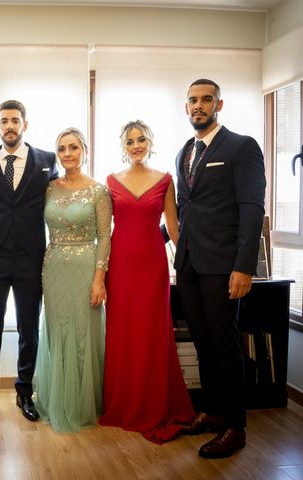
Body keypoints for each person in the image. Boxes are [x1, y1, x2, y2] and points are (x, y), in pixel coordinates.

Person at [175, 79, 266, 458]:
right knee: (203, 342)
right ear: (186, 107)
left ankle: (235, 426)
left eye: (206, 99)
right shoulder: (185, 151)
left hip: (223, 267)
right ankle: (212, 412)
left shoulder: (242, 147)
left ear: (219, 104)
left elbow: (251, 208)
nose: (199, 106)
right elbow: (186, 208)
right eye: (193, 100)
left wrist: (244, 267)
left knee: (225, 345)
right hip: (190, 265)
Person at [99, 120, 194, 443]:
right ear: (123, 147)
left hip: (153, 267)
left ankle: (153, 405)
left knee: (152, 334)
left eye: (142, 139)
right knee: (122, 334)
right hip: (121, 266)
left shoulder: (165, 180)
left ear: (150, 142)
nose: (136, 145)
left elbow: (175, 228)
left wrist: (187, 266)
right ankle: (123, 404)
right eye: (130, 141)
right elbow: (102, 231)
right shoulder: (111, 181)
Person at [0, 100, 58, 426]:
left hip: (30, 258)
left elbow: (59, 205)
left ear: (25, 124)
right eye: (4, 120)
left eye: (15, 120)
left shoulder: (48, 161)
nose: (10, 125)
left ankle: (25, 393)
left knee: (28, 330)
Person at [35, 127, 111, 432]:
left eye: (74, 148)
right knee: (56, 332)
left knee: (82, 335)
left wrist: (99, 279)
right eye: (62, 148)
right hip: (53, 267)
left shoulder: (98, 191)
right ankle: (57, 400)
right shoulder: (49, 188)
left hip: (85, 268)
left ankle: (82, 404)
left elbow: (105, 237)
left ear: (84, 151)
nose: (68, 154)